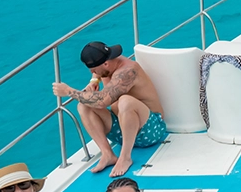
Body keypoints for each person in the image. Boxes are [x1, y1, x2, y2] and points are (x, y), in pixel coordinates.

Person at [52, 41, 166, 178]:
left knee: (125, 101)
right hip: (123, 130)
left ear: (106, 64)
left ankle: (125, 157)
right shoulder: (107, 64)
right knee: (83, 105)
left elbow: (102, 101)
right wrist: (94, 81)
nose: (93, 73)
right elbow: (99, 73)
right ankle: (108, 154)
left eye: (94, 71)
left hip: (150, 130)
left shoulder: (127, 71)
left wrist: (69, 91)